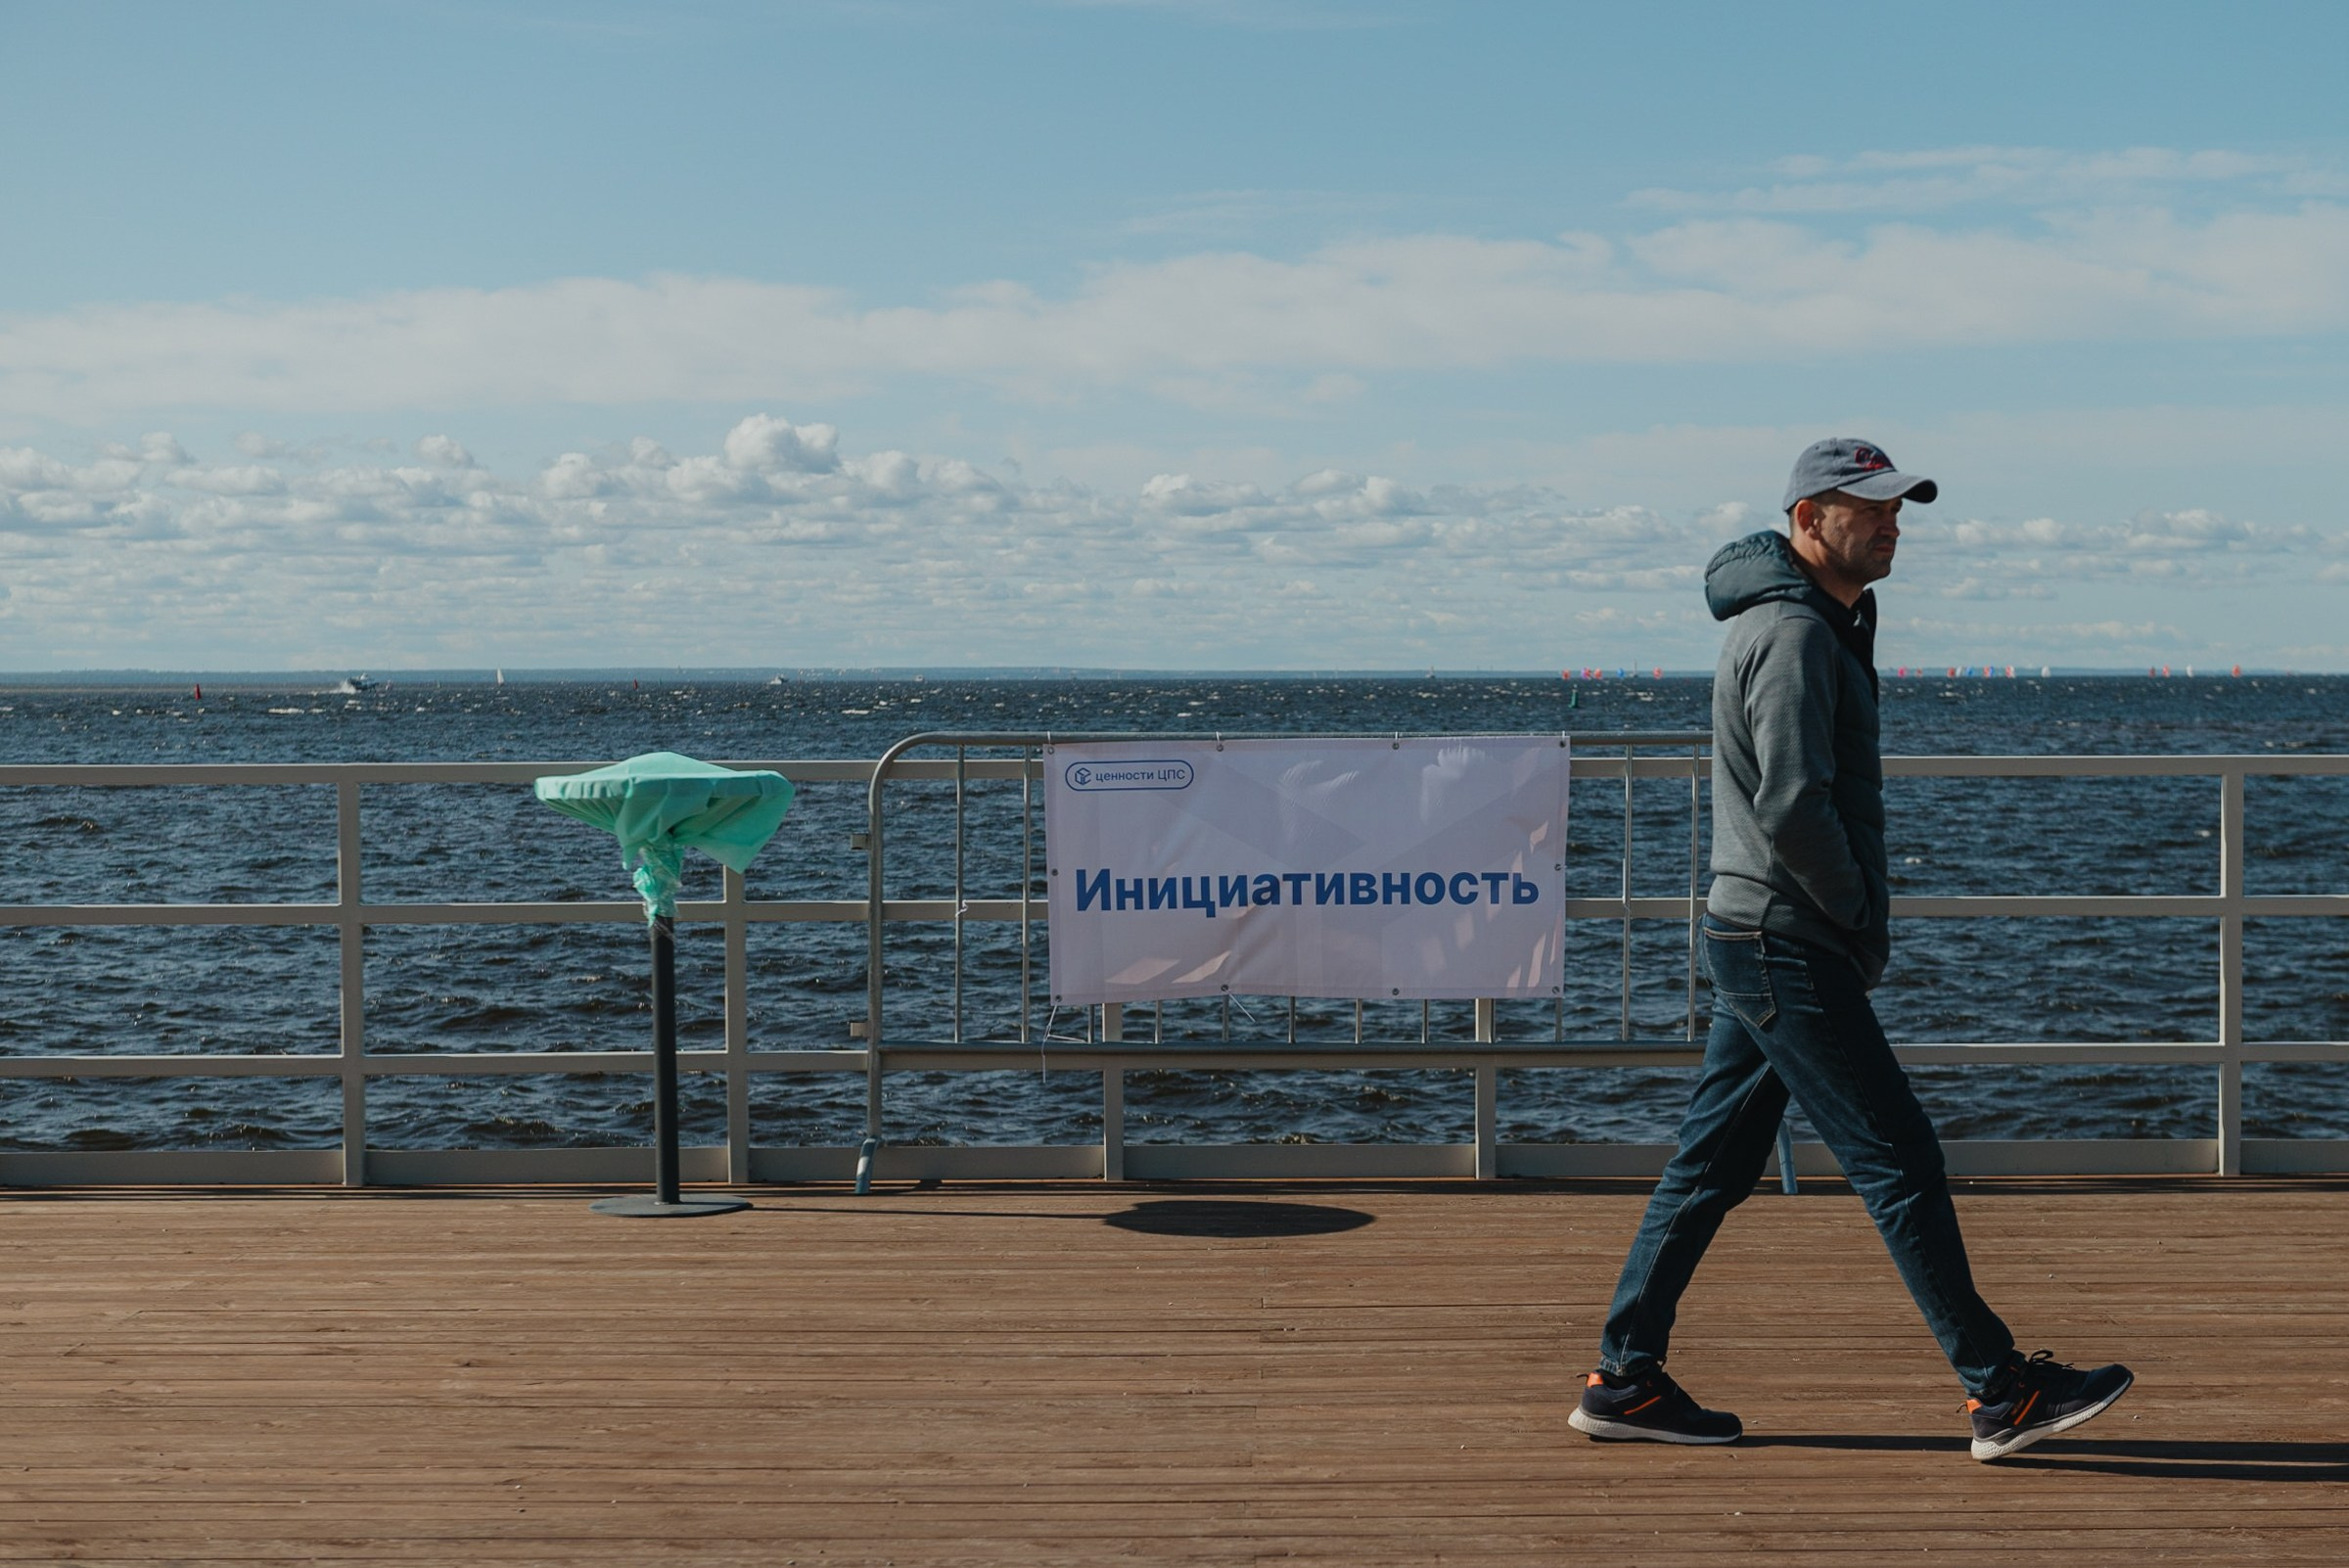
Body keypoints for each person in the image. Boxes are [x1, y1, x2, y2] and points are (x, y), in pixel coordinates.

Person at [1567, 438, 2133, 1463]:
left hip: (1758, 930)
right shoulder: (1793, 635)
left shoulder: (1823, 621)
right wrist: (1859, 913)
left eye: (1898, 508)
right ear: (1806, 518)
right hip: (1786, 937)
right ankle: (1999, 1391)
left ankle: (1625, 1377)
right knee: (1900, 1157)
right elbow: (1792, 805)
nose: (1891, 523)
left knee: (1711, 1166)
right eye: (1867, 507)